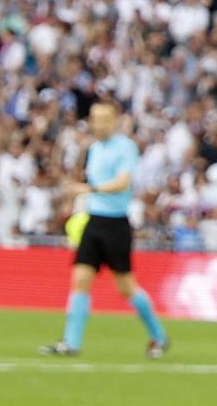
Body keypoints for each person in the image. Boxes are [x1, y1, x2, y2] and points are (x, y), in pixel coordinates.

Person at [40, 101, 170, 358]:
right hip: (93, 221)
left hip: (116, 224)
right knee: (80, 281)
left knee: (126, 286)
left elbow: (123, 183)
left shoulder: (126, 147)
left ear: (114, 120)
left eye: (103, 119)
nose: (98, 124)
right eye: (94, 118)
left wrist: (88, 189)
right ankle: (71, 342)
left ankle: (159, 336)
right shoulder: (94, 148)